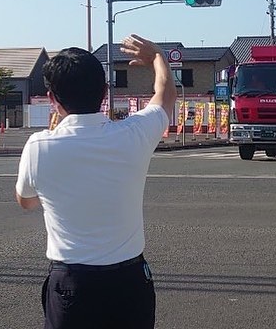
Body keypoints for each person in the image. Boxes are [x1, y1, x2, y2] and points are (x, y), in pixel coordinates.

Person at [15, 34, 177, 329]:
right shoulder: (133, 135)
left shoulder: (39, 147)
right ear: (104, 93)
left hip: (72, 284)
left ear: (52, 99)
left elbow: (25, 201)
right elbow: (165, 96)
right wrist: (157, 58)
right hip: (129, 283)